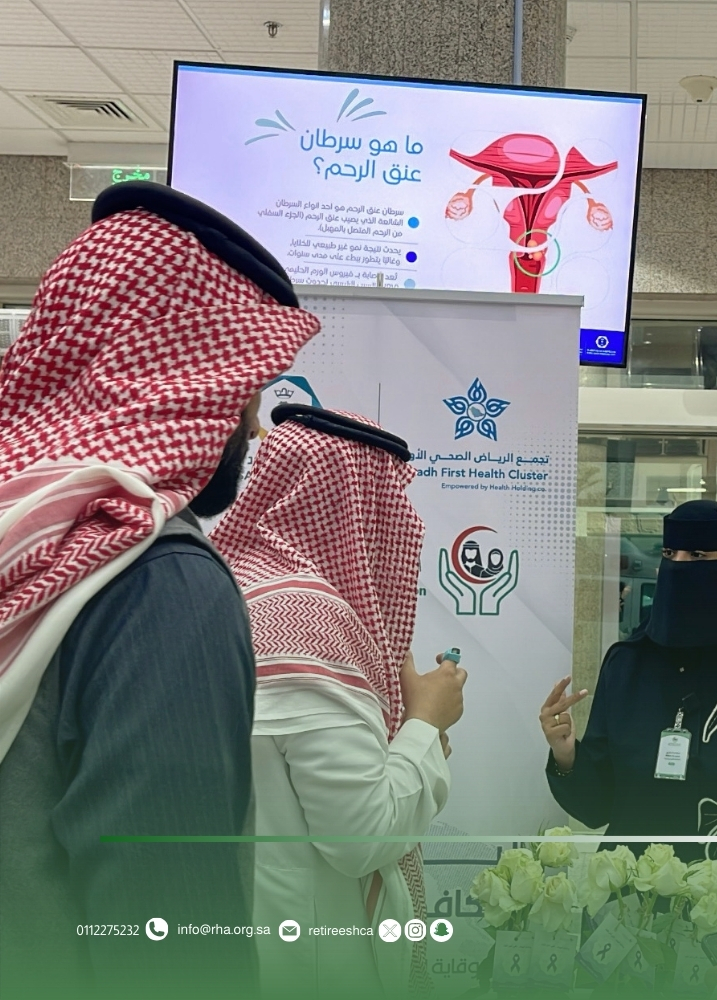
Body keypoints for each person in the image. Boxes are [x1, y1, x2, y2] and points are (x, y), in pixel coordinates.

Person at [0, 182, 319, 998]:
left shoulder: (21, 538)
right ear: (186, 380)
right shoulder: (159, 585)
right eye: (246, 389)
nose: (252, 426)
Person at [211, 404, 467, 997]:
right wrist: (426, 723)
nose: (405, 523)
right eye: (391, 501)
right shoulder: (307, 621)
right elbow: (361, 835)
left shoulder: (233, 591)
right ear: (357, 505)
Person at [540, 500, 717, 884]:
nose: (679, 565)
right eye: (669, 553)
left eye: (697, 554)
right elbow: (597, 808)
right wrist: (566, 756)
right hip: (634, 898)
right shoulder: (628, 663)